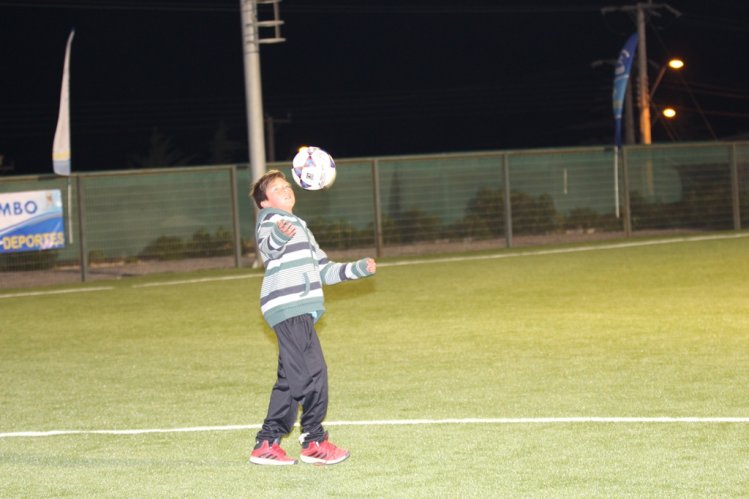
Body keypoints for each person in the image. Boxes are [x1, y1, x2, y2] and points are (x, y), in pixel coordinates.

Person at [248, 169, 377, 466]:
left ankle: (266, 444)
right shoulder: (269, 220)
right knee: (312, 373)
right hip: (289, 306)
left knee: (290, 380)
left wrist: (357, 269)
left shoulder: (301, 227)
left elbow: (323, 270)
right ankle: (314, 441)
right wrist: (280, 233)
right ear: (265, 203)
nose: (285, 189)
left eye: (286, 185)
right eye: (277, 188)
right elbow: (268, 246)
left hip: (297, 310)